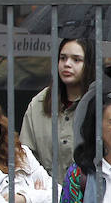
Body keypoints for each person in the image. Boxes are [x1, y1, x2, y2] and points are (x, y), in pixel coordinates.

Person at [23, 38, 92, 181]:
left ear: (89, 65)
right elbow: (25, 157)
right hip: (47, 196)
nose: (67, 64)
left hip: (90, 196)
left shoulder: (102, 104)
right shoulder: (38, 104)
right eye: (63, 58)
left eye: (76, 60)